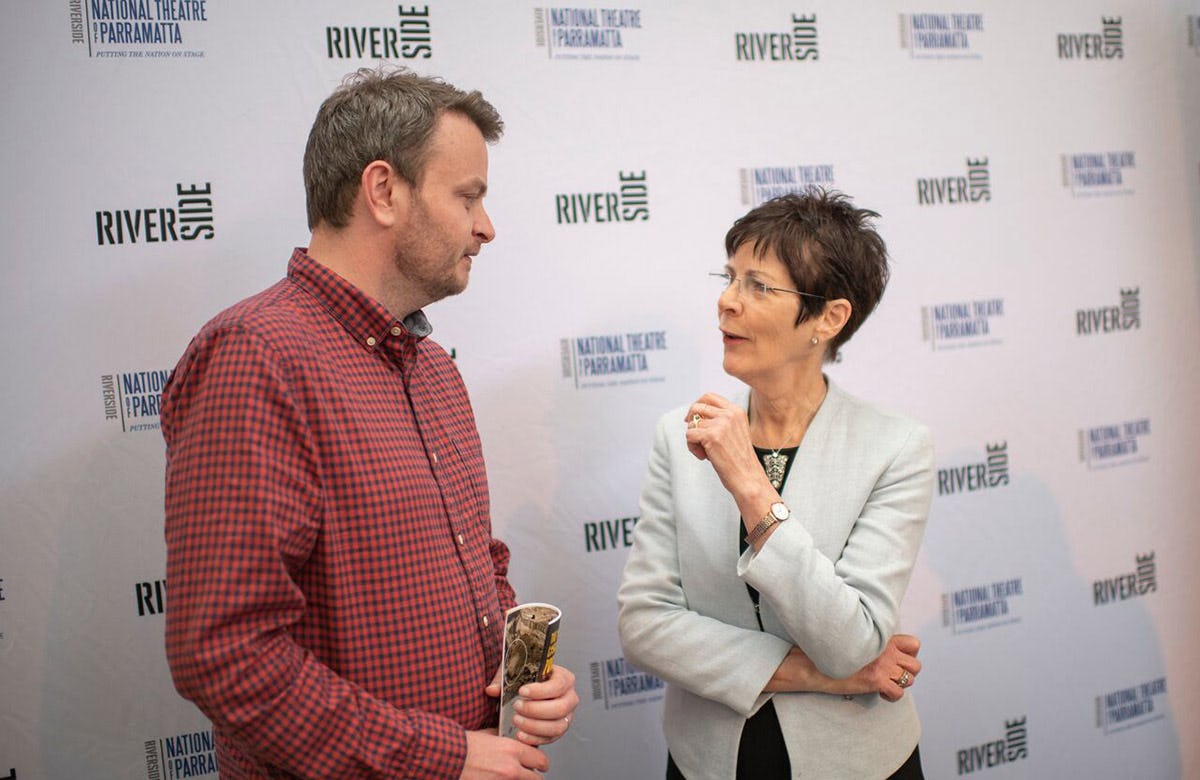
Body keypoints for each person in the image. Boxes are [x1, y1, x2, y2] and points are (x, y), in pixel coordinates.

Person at [162, 67, 578, 780]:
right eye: (468, 196)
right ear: (383, 191)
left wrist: (527, 680)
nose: (487, 226)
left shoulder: (434, 370)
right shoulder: (259, 356)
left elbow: (481, 563)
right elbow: (226, 653)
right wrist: (441, 758)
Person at [617, 189, 934, 779]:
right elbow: (644, 624)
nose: (726, 302)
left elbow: (851, 642)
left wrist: (748, 481)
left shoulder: (895, 448)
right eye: (729, 276)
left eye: (758, 286)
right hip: (708, 759)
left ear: (828, 318)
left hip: (857, 762)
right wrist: (817, 675)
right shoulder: (677, 435)